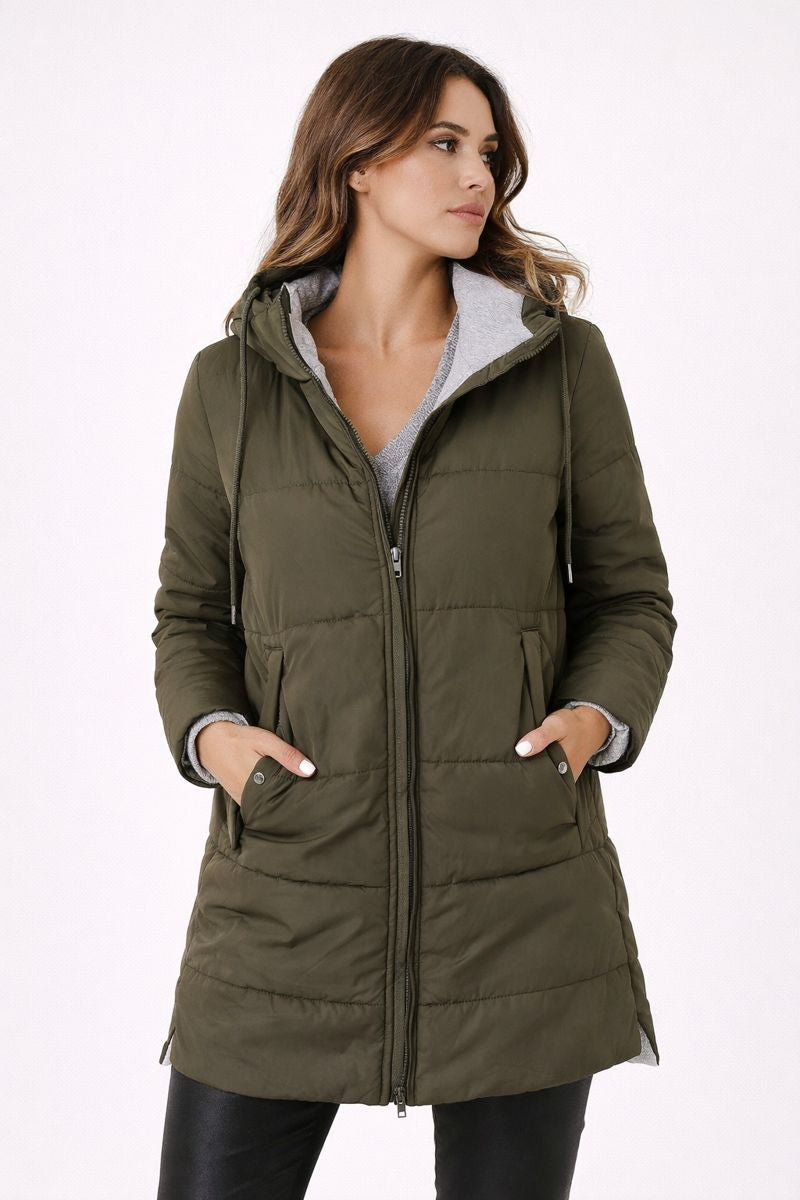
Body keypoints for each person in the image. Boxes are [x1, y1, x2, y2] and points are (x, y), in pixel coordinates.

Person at [152, 35, 677, 1200]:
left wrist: (591, 722)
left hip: (520, 904)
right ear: (355, 161)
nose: (477, 174)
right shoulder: (230, 385)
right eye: (443, 143)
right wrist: (215, 740)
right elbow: (189, 614)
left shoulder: (557, 367)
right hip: (282, 902)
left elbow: (628, 594)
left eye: (487, 151)